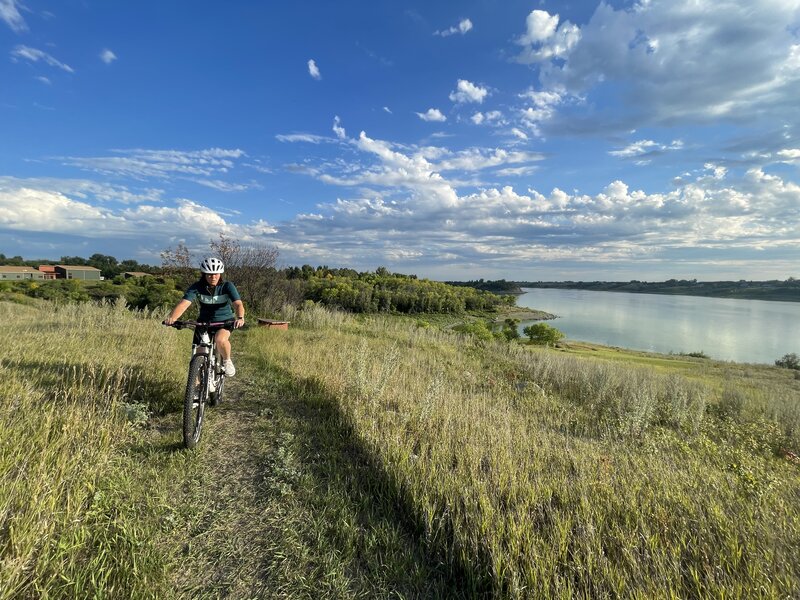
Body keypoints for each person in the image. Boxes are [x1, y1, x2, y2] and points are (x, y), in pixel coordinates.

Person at [164, 257, 245, 376]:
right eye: (209, 275)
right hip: (204, 322)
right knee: (198, 354)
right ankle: (195, 389)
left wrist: (240, 317)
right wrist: (173, 318)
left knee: (220, 340)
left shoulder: (227, 286)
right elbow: (184, 303)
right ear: (204, 275)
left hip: (224, 321)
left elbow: (238, 304)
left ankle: (227, 361)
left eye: (216, 274)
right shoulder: (197, 286)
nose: (213, 277)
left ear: (220, 273)